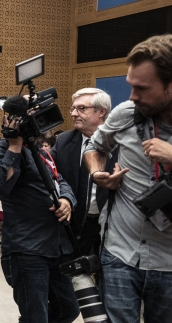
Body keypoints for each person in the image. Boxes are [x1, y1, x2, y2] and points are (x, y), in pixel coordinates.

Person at [83, 34, 172, 323]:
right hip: (120, 256)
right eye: (130, 86)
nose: (133, 96)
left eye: (142, 88)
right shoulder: (126, 115)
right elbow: (94, 148)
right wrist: (97, 172)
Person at [0, 112, 80, 323]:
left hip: (56, 246)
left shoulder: (42, 151)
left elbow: (60, 180)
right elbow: (0, 185)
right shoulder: (3, 149)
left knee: (68, 309)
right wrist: (14, 146)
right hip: (27, 249)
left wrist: (66, 199)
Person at [51, 88, 114, 257]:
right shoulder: (64, 140)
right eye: (73, 108)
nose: (74, 113)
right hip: (71, 222)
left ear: (101, 111)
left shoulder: (119, 141)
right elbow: (51, 173)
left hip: (109, 225)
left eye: (81, 108)